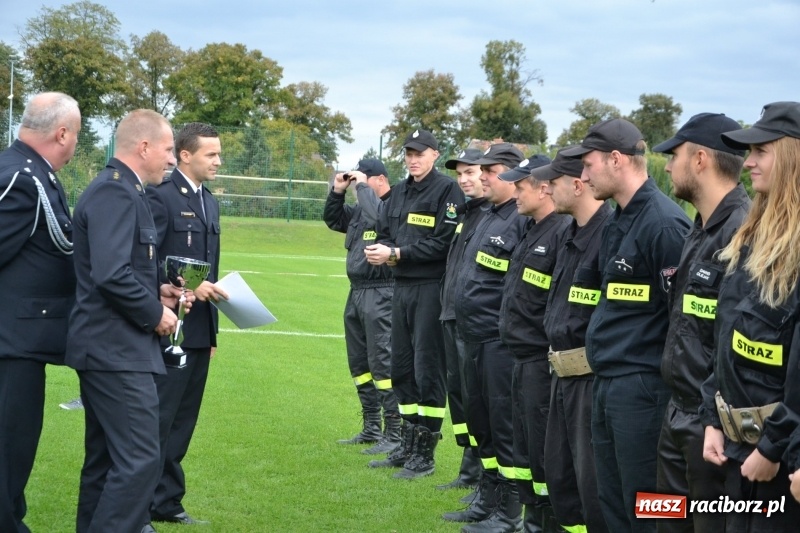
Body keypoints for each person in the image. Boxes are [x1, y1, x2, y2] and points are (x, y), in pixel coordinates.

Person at [561, 119, 691, 533]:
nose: (583, 176)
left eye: (588, 165)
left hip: (643, 390)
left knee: (648, 507)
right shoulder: (620, 219)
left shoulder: (664, 224)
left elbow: (683, 320)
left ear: (616, 160)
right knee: (612, 501)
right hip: (609, 383)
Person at [66, 109, 180, 533]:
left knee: (108, 460)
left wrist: (158, 292)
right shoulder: (116, 193)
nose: (172, 160)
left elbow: (120, 270)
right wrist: (156, 314)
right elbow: (111, 275)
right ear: (144, 146)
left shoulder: (125, 191)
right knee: (139, 459)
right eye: (168, 149)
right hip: (115, 350)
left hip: (110, 347)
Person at [701, 101, 800, 531]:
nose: (749, 162)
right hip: (739, 451)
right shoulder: (752, 237)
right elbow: (724, 336)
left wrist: (776, 448)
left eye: (761, 151)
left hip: (780, 462)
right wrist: (713, 418)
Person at [652, 113, 749, 533]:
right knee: (664, 519)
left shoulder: (744, 233)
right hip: (675, 412)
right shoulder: (697, 227)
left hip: (711, 428)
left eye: (674, 156)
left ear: (701, 159)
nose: (668, 166)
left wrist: (712, 416)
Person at [0, 91, 80, 533]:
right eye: (77, 135)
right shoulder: (20, 177)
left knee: (14, 452)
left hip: (20, 343)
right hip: (10, 345)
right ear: (62, 133)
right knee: (8, 450)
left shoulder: (35, 174)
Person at [365, 129, 464, 479]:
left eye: (419, 152)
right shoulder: (400, 192)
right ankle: (406, 444)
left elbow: (442, 244)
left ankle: (425, 454)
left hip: (430, 289)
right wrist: (385, 250)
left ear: (435, 154)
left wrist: (398, 253)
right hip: (401, 287)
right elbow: (383, 231)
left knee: (428, 369)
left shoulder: (447, 190)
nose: (412, 158)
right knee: (401, 368)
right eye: (408, 152)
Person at [441, 143, 530, 532]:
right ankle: (488, 498)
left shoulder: (520, 217)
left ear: (510, 174)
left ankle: (509, 513)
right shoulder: (488, 215)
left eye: (489, 170)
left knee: (503, 427)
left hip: (497, 340)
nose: (481, 177)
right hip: (471, 334)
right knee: (482, 424)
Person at [146, 122, 229, 525]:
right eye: (211, 154)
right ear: (184, 155)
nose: (219, 160)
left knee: (182, 422)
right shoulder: (160, 197)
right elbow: (150, 263)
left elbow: (207, 268)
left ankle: (166, 502)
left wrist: (210, 333)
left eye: (218, 153)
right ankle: (141, 504)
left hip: (198, 329)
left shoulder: (209, 202)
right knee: (157, 421)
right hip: (166, 325)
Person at [495, 155, 572, 533]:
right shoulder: (530, 228)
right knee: (524, 449)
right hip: (519, 358)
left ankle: (546, 523)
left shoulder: (561, 231)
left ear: (544, 188)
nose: (515, 192)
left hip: (541, 363)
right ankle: (530, 520)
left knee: (544, 454)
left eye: (521, 186)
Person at [538, 148, 611, 533]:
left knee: (592, 486)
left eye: (553, 183)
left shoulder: (610, 235)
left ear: (577, 185)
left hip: (589, 380)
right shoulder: (568, 233)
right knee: (562, 480)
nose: (546, 189)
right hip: (560, 376)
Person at [323, 158, 399, 455]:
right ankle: (371, 426)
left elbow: (380, 217)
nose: (359, 187)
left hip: (381, 293)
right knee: (360, 364)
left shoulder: (392, 206)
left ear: (380, 179)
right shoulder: (358, 212)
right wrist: (338, 192)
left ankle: (394, 431)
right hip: (356, 293)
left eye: (365, 181)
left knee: (383, 363)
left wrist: (364, 187)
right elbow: (333, 219)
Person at [437, 148, 486, 492]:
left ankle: (484, 476)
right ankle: (469, 470)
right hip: (452, 317)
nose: (465, 179)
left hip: (474, 325)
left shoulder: (497, 216)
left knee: (475, 398)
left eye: (472, 172)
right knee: (459, 395)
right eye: (461, 174)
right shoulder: (468, 214)